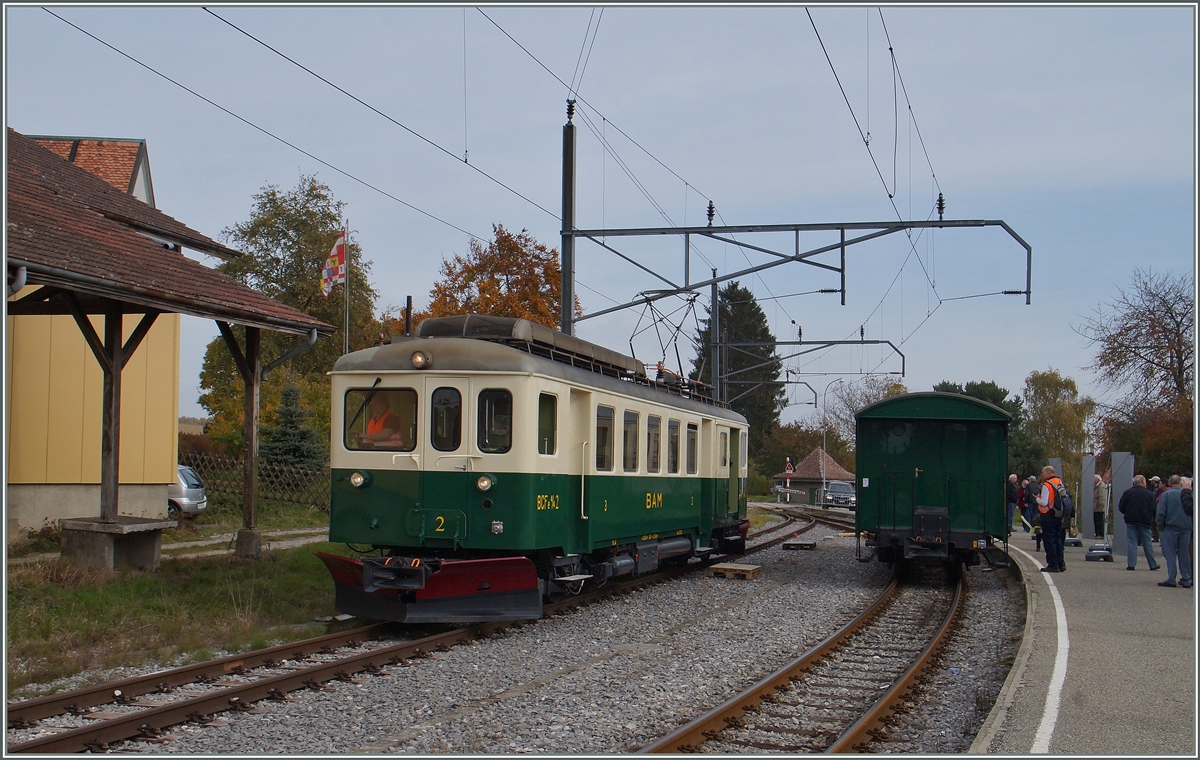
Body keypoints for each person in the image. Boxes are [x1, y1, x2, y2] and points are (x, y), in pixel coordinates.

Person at [1156, 475, 1192, 588]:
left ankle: (1171, 578)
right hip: (1186, 528)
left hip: (1170, 527)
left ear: (1170, 483)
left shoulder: (1167, 495)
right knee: (1184, 554)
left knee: (1170, 554)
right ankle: (1186, 578)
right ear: (1181, 483)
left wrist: (1160, 526)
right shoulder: (1189, 495)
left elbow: (1161, 512)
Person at [1118, 475, 1160, 571]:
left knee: (1132, 542)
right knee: (1147, 543)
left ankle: (1131, 564)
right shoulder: (1150, 494)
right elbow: (1154, 509)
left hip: (1131, 520)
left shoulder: (1128, 493)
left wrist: (1127, 513)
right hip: (1145, 521)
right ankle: (1152, 564)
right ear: (1143, 482)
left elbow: (1121, 507)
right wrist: (1151, 517)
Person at [1035, 466, 1066, 573]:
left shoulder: (1047, 485)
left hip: (1048, 515)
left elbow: (1044, 502)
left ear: (1049, 473)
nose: (1041, 475)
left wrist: (1037, 499)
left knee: (1049, 540)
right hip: (1058, 514)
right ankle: (1061, 563)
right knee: (1058, 539)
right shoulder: (1059, 482)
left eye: (1042, 473)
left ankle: (1053, 564)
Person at [1092, 473, 1108, 539]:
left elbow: (1102, 497)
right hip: (1096, 506)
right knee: (1096, 520)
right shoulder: (1096, 486)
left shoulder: (1101, 486)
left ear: (1097, 479)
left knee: (1099, 521)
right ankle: (1097, 533)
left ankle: (1100, 534)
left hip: (1099, 507)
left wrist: (1101, 506)